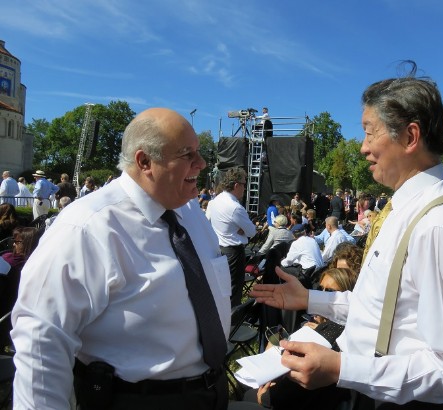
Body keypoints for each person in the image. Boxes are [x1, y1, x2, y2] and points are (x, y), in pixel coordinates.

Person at [251, 64, 443, 408]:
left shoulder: (437, 225)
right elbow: (380, 310)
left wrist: (342, 368)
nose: (362, 147)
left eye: (369, 132)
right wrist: (309, 300)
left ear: (410, 137)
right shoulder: (403, 210)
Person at [11, 108, 231, 410]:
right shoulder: (86, 227)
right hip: (139, 400)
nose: (202, 163)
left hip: (212, 390)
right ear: (144, 162)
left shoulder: (190, 212)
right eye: (187, 154)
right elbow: (42, 342)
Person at [248, 268, 357, 410]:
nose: (321, 295)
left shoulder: (329, 335)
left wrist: (264, 397)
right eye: (320, 289)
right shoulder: (329, 327)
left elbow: (284, 396)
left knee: (247, 395)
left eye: (330, 292)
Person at [207, 167, 256, 307]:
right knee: (233, 290)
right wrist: (240, 229)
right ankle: (232, 324)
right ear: (236, 185)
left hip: (218, 251)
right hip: (234, 253)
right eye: (243, 184)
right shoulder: (235, 207)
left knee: (220, 288)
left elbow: (207, 222)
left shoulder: (214, 201)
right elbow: (252, 232)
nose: (245, 188)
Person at [0, 226, 40, 350]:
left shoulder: (7, 263)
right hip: (19, 320)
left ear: (28, 243)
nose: (13, 245)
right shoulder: (39, 265)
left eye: (17, 242)